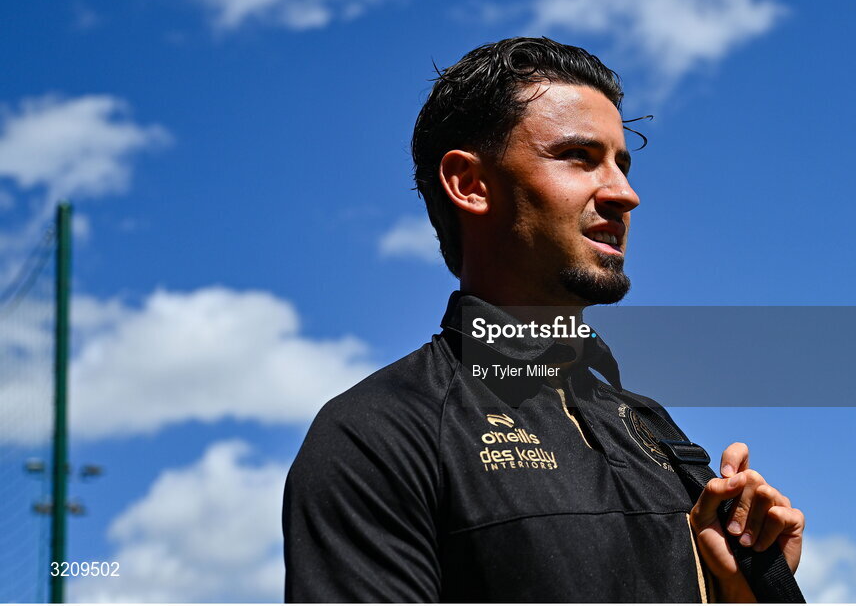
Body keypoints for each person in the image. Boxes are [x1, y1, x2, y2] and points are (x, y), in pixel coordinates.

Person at [283, 37, 804, 602]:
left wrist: (746, 586)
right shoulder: (379, 433)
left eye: (621, 164)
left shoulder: (652, 431)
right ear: (470, 184)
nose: (625, 194)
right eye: (579, 157)